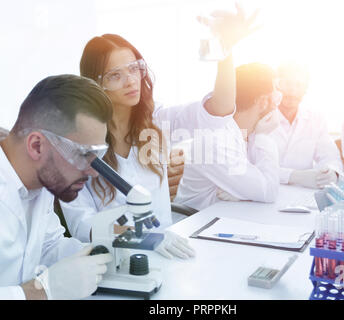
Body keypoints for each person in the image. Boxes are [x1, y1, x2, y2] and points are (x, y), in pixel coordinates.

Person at [60, 6, 258, 247]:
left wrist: (225, 54)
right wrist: (142, 238)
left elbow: (219, 111)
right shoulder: (76, 145)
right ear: (96, 84)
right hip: (113, 258)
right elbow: (81, 224)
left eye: (134, 68)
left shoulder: (157, 121)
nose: (131, 80)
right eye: (115, 75)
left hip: (168, 250)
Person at [0, 75, 113, 300]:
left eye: (96, 156)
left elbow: (49, 245)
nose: (92, 171)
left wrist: (106, 256)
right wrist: (38, 293)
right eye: (83, 154)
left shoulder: (38, 182)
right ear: (36, 145)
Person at [174, 62, 281, 210]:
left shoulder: (242, 132)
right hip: (198, 225)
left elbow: (262, 177)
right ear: (263, 102)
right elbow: (268, 190)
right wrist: (264, 138)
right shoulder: (216, 139)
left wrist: (245, 193)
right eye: (276, 96)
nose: (277, 105)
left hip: (224, 217)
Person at [269, 62, 343, 189]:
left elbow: (330, 156)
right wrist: (294, 176)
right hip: (265, 191)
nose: (292, 90)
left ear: (306, 89)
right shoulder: (260, 118)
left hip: (303, 194)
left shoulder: (316, 119)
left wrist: (331, 171)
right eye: (287, 83)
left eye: (299, 85)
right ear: (276, 85)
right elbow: (253, 166)